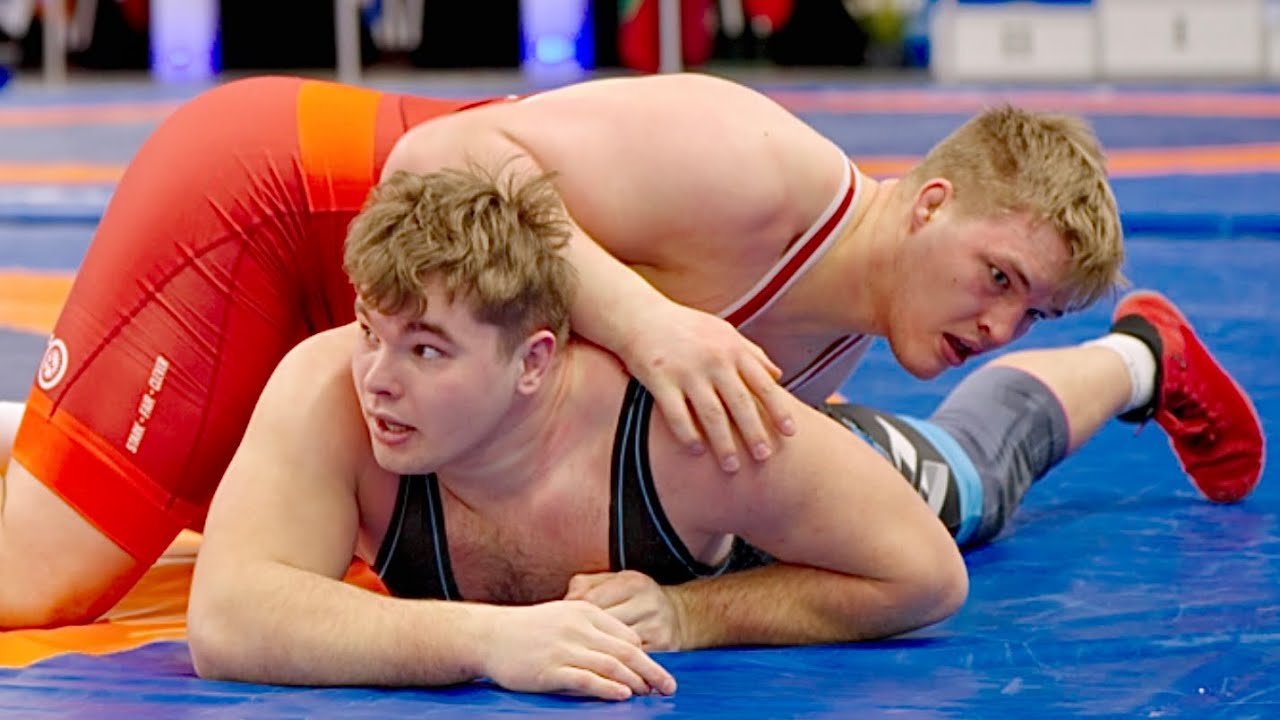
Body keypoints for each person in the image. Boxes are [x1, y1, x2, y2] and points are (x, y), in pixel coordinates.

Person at [0, 72, 1262, 629]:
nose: (996, 322)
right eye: (995, 278)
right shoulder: (755, 167)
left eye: (1030, 313)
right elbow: (432, 164)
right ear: (927, 204)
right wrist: (650, 321)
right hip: (274, 211)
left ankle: (1135, 361)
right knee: (41, 580)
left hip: (396, 348)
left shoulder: (830, 342)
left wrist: (685, 611)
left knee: (938, 486)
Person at [187, 165, 1261, 701]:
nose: (378, 377)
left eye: (425, 351)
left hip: (817, 471)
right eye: (370, 332)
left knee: (968, 473)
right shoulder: (334, 387)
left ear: (535, 363)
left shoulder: (689, 437)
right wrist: (484, 640)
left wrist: (689, 616)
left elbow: (926, 582)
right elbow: (228, 618)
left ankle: (1134, 357)